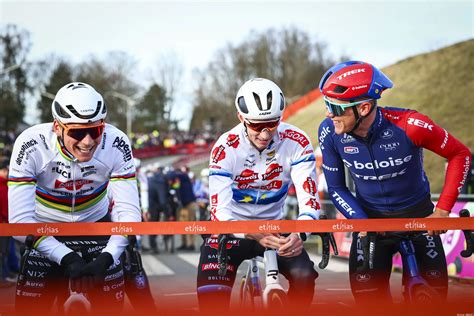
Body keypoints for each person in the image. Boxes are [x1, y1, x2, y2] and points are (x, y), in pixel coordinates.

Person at [317, 61, 472, 305]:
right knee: (371, 306)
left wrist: (442, 210)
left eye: (335, 107)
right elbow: (336, 188)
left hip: (419, 220)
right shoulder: (328, 132)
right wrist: (361, 222)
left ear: (365, 108)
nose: (328, 113)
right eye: (327, 105)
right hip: (369, 221)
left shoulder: (409, 125)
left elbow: (460, 154)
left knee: (432, 305)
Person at [8, 82, 143, 314]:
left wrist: (108, 257)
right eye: (78, 132)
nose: (88, 141)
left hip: (96, 225)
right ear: (57, 127)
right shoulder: (30, 144)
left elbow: (129, 215)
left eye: (96, 130)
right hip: (45, 228)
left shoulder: (116, 142)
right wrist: (67, 257)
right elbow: (20, 221)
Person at [197, 78, 322, 311]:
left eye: (272, 124)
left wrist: (301, 233)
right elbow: (221, 214)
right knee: (211, 301)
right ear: (240, 118)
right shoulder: (225, 148)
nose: (265, 135)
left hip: (275, 226)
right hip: (233, 227)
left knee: (305, 278)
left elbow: (310, 202)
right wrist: (254, 233)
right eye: (256, 126)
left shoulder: (297, 141)